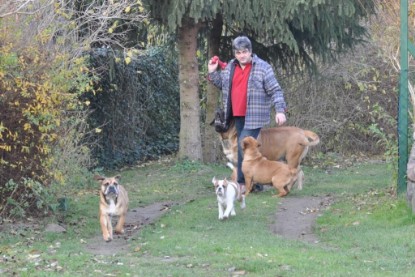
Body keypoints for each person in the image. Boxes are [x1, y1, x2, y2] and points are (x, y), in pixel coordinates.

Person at [207, 35, 287, 193]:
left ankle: (242, 184)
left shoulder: (263, 67)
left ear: (250, 51)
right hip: (236, 115)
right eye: (238, 52)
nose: (241, 55)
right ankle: (256, 184)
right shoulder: (231, 66)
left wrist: (280, 110)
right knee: (246, 149)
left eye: (244, 52)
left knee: (242, 146)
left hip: (254, 116)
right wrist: (212, 72)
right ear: (235, 54)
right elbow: (222, 85)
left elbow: (275, 90)